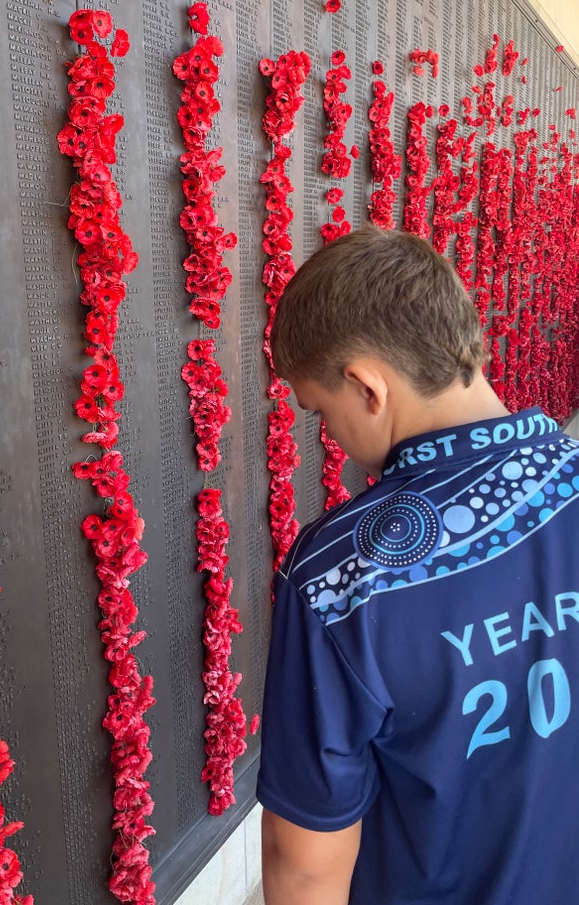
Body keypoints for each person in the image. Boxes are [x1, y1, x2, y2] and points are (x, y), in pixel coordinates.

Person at [256, 226, 579, 905]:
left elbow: (308, 862)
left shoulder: (341, 577)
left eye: (321, 411)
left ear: (366, 386)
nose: (333, 439)